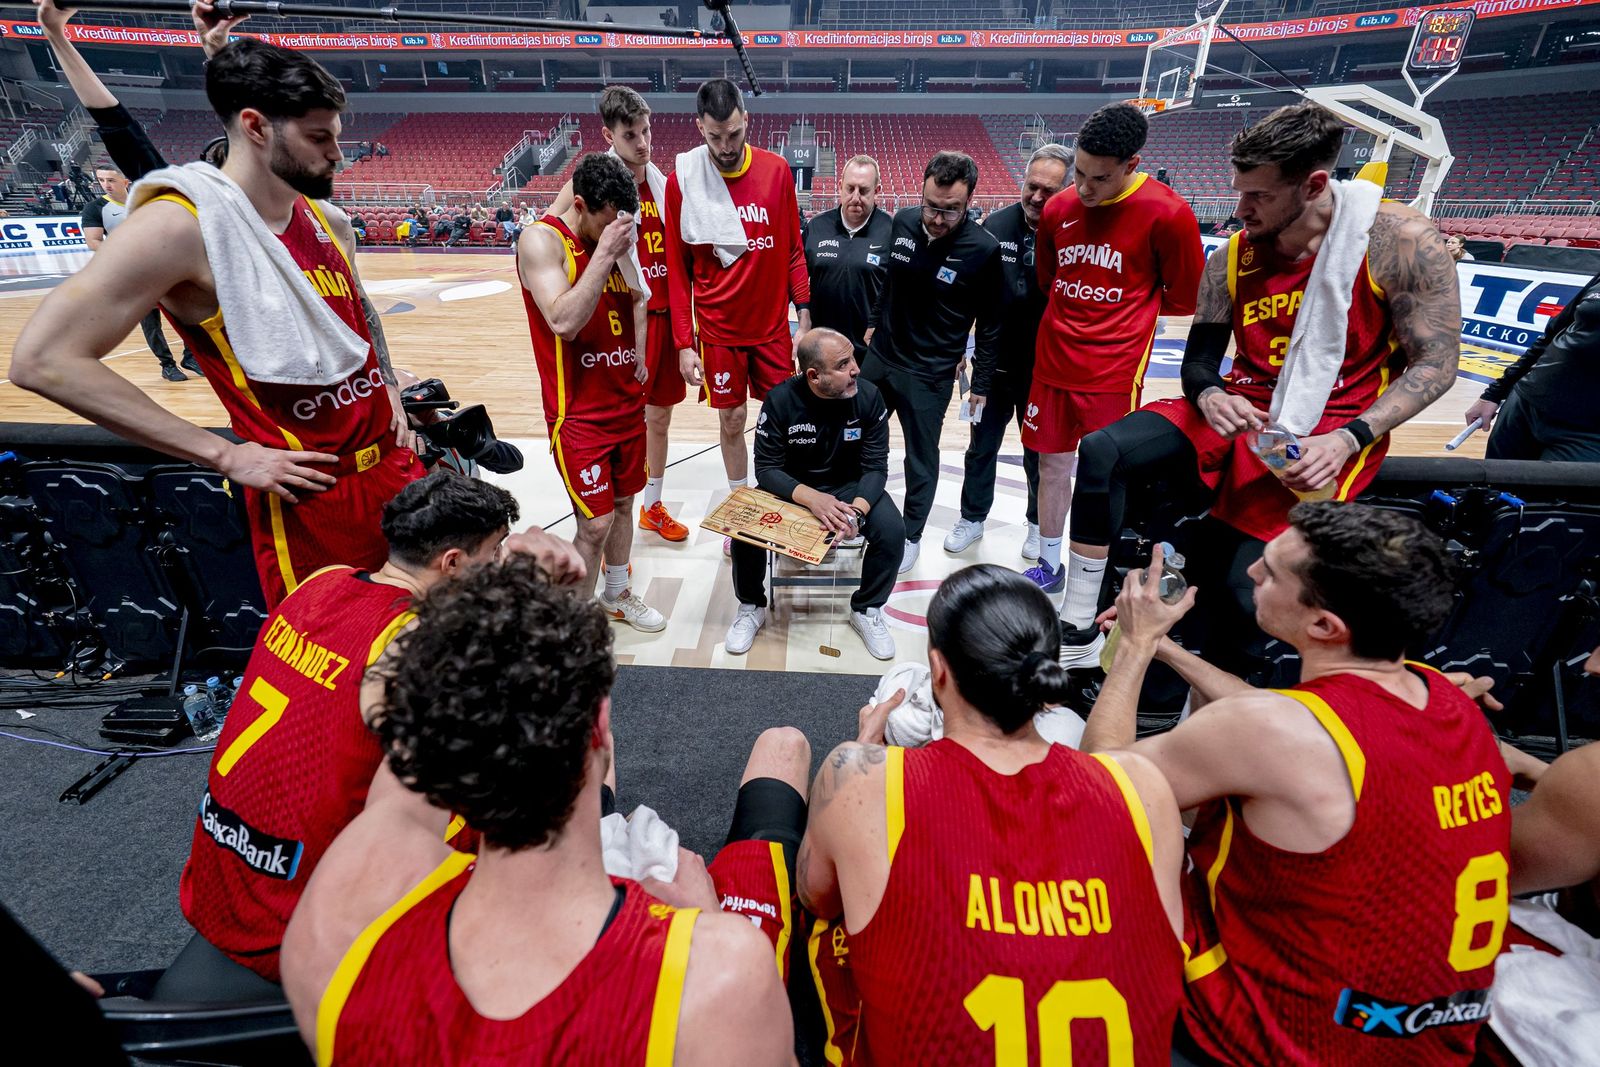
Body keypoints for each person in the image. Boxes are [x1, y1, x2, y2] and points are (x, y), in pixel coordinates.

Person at [280, 555, 794, 1065]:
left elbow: (405, 787)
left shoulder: (337, 918)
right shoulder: (719, 974)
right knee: (783, 750)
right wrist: (701, 922)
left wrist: (485, 615)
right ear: (600, 723)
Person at [1082, 502, 1509, 1064]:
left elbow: (1096, 786)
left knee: (1113, 841)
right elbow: (1277, 719)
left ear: (1324, 626)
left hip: (1270, 1044)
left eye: (1272, 569)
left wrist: (1135, 646)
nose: (1254, 570)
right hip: (1423, 1040)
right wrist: (1169, 648)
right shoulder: (1445, 693)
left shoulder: (1270, 733)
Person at [11, 36, 424, 612]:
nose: (336, 154)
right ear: (256, 127)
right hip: (308, 494)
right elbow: (42, 361)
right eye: (319, 137)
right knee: (339, 672)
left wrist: (389, 391)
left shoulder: (327, 218)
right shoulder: (178, 228)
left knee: (427, 655)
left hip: (393, 469)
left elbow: (362, 321)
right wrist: (225, 455)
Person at [1054, 102, 1461, 669]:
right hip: (1244, 405)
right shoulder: (1231, 256)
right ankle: (1078, 625)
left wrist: (1350, 439)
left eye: (1259, 196)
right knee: (1102, 451)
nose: (1239, 209)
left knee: (1248, 591)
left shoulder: (1399, 240)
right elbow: (1198, 363)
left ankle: (1223, 705)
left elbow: (1437, 364)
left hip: (1328, 429)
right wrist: (1211, 394)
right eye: (1239, 191)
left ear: (1315, 184)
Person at [172, 471, 583, 997]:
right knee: (535, 793)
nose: (501, 564)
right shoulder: (415, 642)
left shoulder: (320, 584)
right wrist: (538, 592)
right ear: (453, 562)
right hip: (297, 928)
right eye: (495, 551)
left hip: (222, 887)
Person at [797, 564, 1185, 1064]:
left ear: (938, 671)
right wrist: (1136, 646)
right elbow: (1110, 763)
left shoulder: (861, 776)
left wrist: (861, 746)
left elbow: (817, 897)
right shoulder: (1142, 787)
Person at [1021, 105, 1204, 594]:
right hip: (1051, 364)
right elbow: (1048, 280)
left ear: (1132, 164)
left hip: (1114, 373)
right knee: (1050, 466)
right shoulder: (1059, 209)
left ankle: (1092, 577)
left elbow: (1182, 298)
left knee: (1104, 473)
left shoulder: (1169, 214)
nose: (1083, 187)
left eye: (1098, 178)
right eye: (1078, 172)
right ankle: (1048, 562)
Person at [517, 152, 666, 633]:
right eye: (604, 224)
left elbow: (639, 298)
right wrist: (602, 255)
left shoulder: (616, 233)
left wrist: (640, 355)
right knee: (595, 524)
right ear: (579, 205)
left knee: (625, 507)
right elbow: (563, 320)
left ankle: (618, 592)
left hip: (626, 403)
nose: (614, 234)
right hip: (578, 415)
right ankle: (575, 625)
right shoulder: (542, 240)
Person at [666, 78, 810, 537]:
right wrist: (684, 344)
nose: (726, 146)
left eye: (733, 133)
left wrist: (803, 317)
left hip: (772, 329)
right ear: (699, 128)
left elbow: (791, 250)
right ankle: (740, 506)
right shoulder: (682, 180)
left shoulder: (777, 170)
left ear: (746, 120)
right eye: (714, 136)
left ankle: (780, 502)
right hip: (719, 331)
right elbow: (677, 269)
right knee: (731, 420)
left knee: (783, 421)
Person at [550, 86, 692, 543]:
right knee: (621, 421)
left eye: (647, 131)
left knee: (661, 417)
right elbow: (553, 236)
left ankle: (651, 507)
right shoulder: (589, 182)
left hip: (663, 312)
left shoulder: (662, 181)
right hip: (617, 314)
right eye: (631, 134)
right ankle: (613, 527)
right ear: (607, 134)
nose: (643, 142)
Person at [859, 151, 1003, 574]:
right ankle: (847, 513)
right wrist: (872, 323)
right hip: (882, 357)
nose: (937, 219)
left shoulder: (984, 249)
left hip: (930, 374)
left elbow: (991, 324)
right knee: (852, 436)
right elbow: (887, 279)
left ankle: (910, 534)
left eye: (950, 210)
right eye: (932, 207)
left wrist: (982, 383)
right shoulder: (902, 221)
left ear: (970, 201)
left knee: (920, 459)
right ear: (921, 192)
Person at [727, 328, 902, 660]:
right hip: (793, 488)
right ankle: (751, 606)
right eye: (843, 364)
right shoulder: (779, 401)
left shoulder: (869, 397)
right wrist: (812, 500)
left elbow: (876, 467)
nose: (856, 370)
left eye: (853, 359)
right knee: (744, 531)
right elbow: (766, 469)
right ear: (814, 376)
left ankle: (866, 609)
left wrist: (856, 512)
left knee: (893, 531)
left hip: (849, 488)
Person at [943, 143, 1072, 560]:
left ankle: (1037, 524)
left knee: (1040, 454)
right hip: (993, 368)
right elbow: (968, 294)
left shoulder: (1074, 230)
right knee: (982, 447)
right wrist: (961, 347)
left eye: (1048, 191)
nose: (1037, 197)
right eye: (1032, 186)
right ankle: (972, 517)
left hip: (1048, 371)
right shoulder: (995, 226)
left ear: (1067, 190)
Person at [1464, 267, 1600, 461]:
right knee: (1496, 485)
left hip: (1585, 432)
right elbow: (1551, 336)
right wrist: (1494, 393)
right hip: (1525, 405)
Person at [79, 163, 194, 383]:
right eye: (101, 180)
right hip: (131, 274)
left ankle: (190, 357)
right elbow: (93, 241)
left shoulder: (146, 202)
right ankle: (167, 365)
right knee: (151, 322)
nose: (106, 185)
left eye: (111, 180)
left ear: (125, 182)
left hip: (163, 268)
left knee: (188, 313)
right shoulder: (95, 208)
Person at [803, 154, 893, 349]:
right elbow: (797, 278)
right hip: (821, 348)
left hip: (870, 349)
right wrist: (803, 316)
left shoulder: (891, 230)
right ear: (840, 185)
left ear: (877, 191)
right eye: (850, 189)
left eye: (864, 191)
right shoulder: (817, 226)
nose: (855, 198)